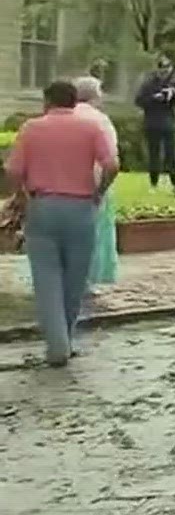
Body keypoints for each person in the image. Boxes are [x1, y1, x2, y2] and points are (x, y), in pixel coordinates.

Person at [4, 79, 119, 365]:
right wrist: (99, 191)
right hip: (81, 208)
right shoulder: (91, 128)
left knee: (47, 279)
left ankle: (57, 345)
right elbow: (112, 164)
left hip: (43, 206)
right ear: (74, 101)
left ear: (47, 101)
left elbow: (13, 169)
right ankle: (66, 337)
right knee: (74, 280)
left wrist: (20, 194)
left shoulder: (31, 129)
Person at [72, 76, 121, 299]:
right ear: (95, 95)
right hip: (92, 182)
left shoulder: (59, 116)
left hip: (57, 185)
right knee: (93, 233)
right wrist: (101, 189)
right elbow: (110, 158)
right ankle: (86, 280)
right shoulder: (100, 120)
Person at [133, 54, 175, 196]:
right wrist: (154, 98)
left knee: (171, 156)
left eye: (167, 68)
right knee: (154, 155)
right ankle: (153, 183)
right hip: (152, 123)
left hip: (169, 123)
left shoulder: (174, 84)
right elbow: (139, 101)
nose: (165, 71)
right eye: (162, 68)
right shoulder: (149, 84)